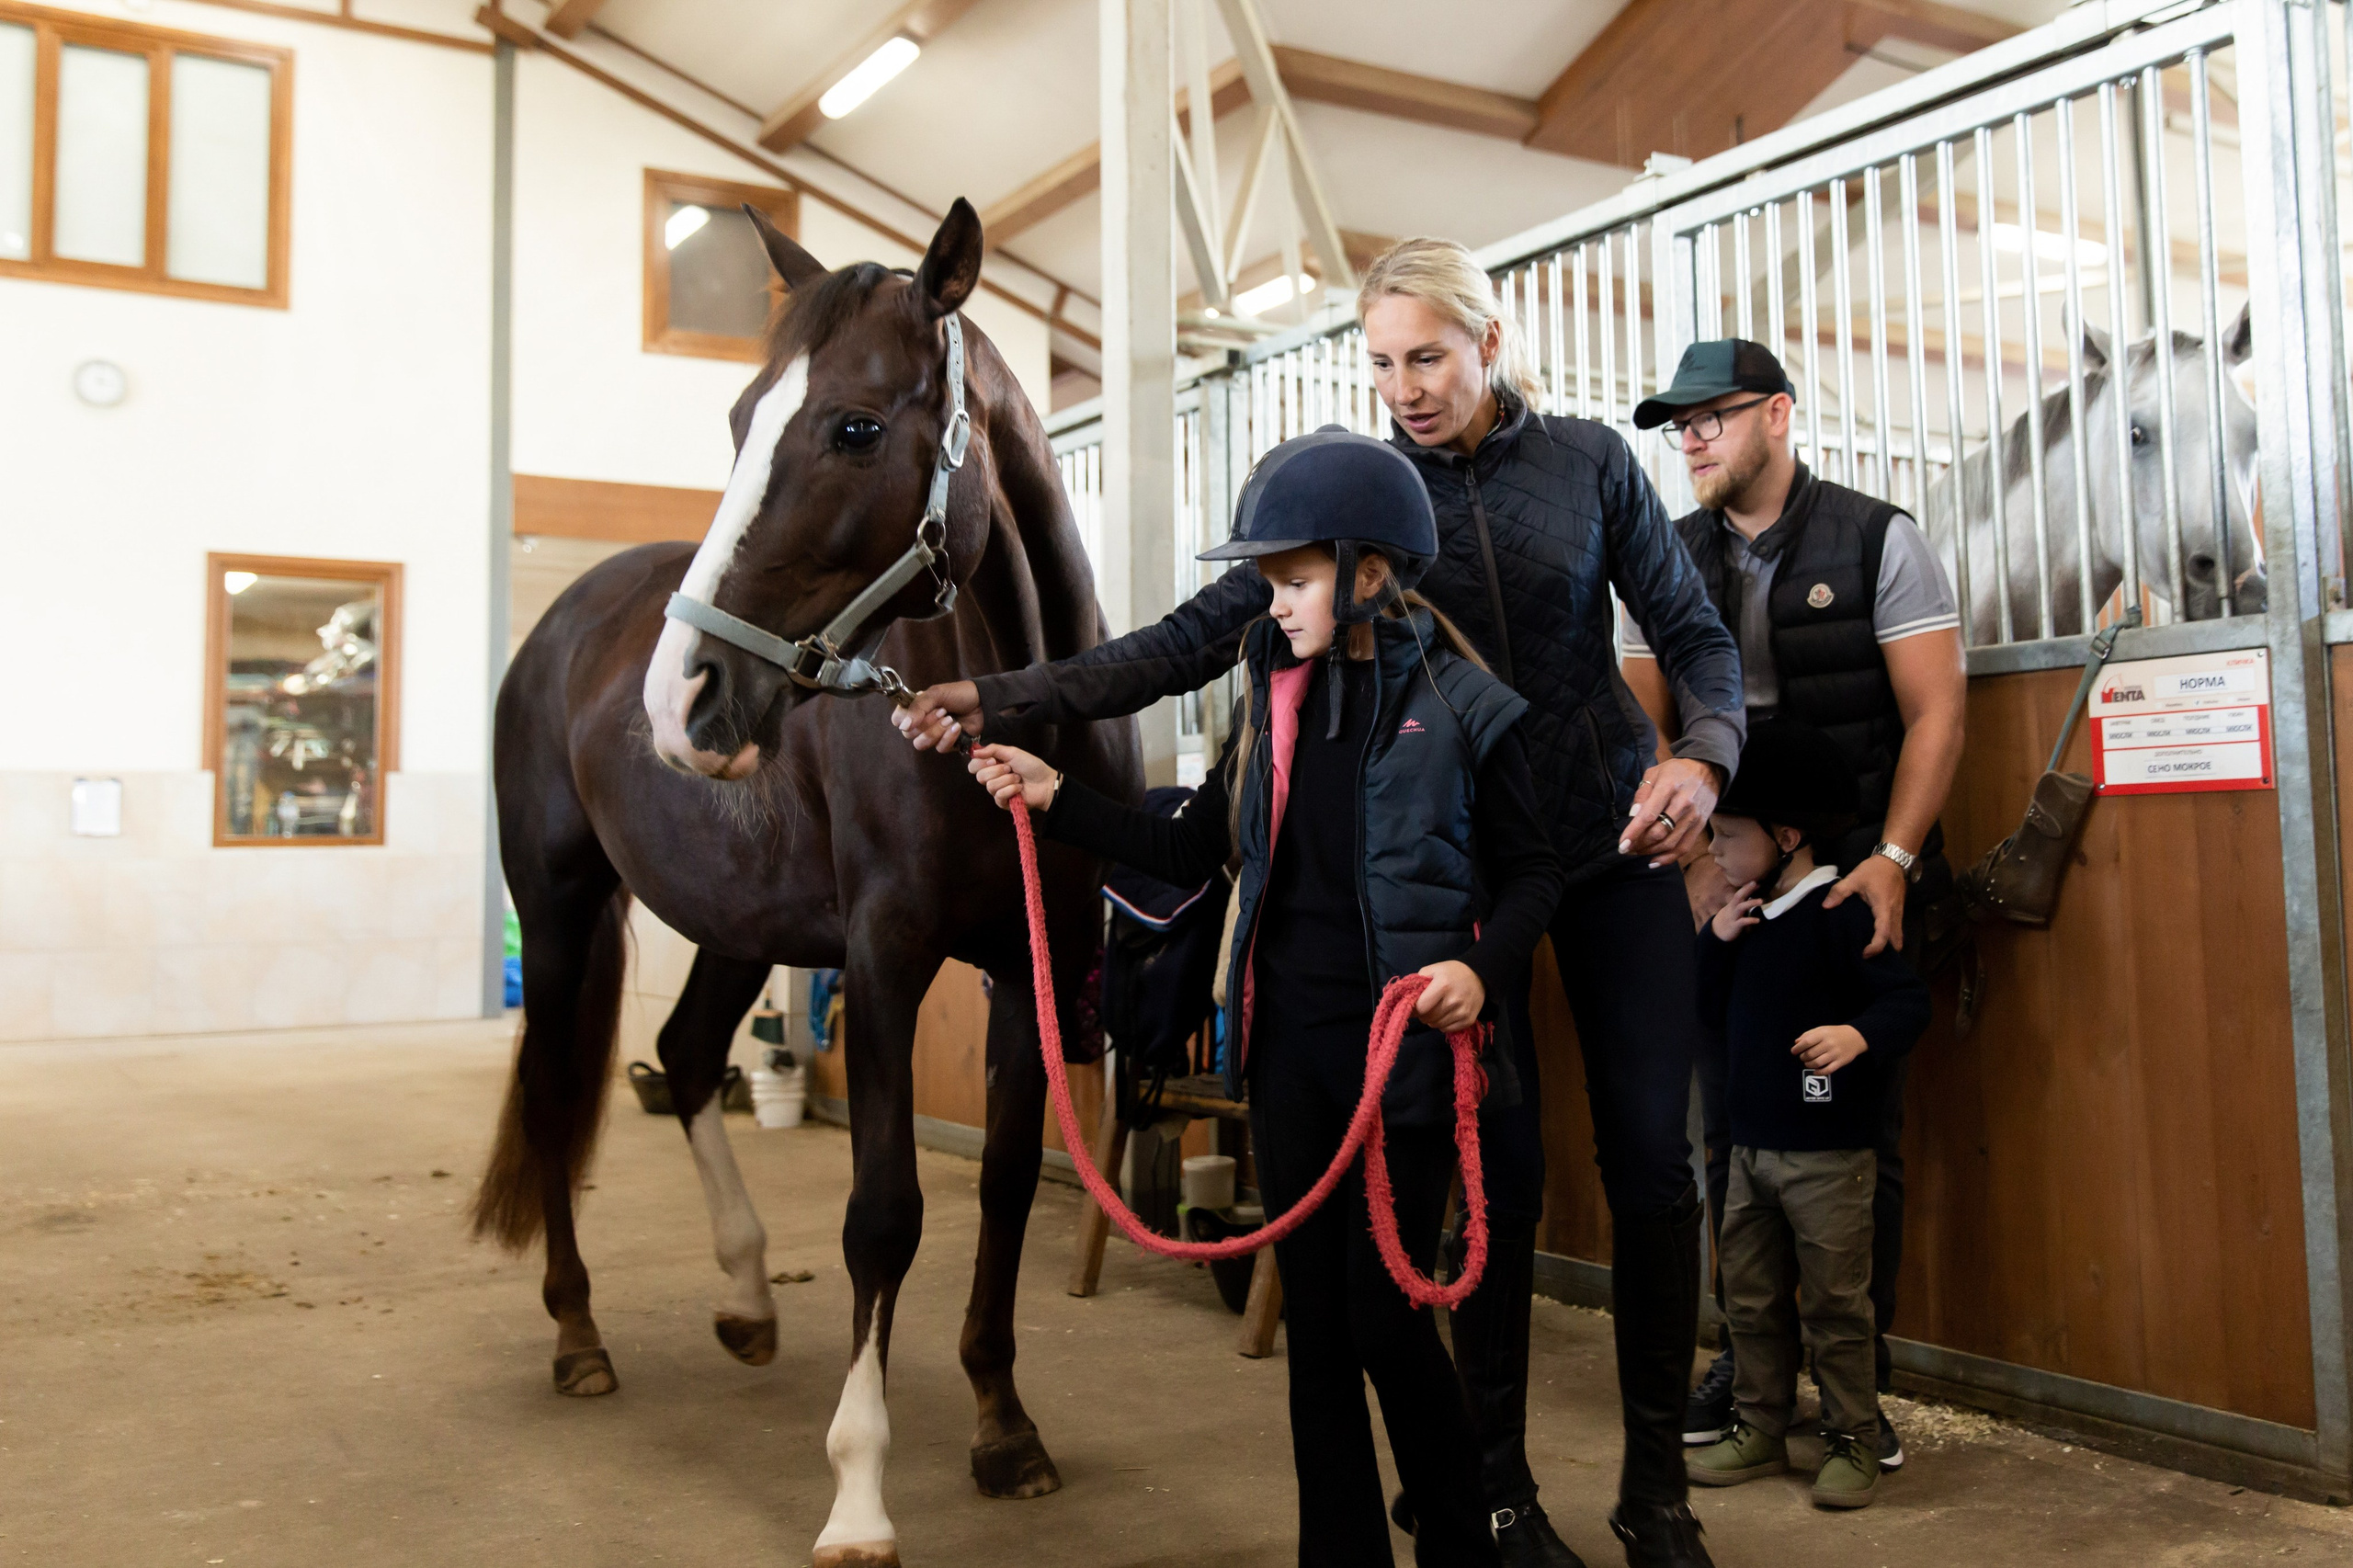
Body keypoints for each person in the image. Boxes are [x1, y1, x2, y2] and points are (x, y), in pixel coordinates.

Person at [900, 239, 1745, 1568]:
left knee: (1649, 1162)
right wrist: (1001, 698)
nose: (1406, 387)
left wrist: (1702, 757)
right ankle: (1497, 1494)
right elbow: (1178, 644)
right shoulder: (1357, 508)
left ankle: (1656, 1493)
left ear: (1490, 342)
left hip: (1606, 842)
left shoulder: (1589, 464)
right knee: (1500, 1178)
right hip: (1448, 884)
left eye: (1430, 357)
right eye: (1384, 362)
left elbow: (1692, 636)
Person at [966, 429, 1563, 1567]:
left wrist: (1479, 970)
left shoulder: (1466, 705)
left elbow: (1536, 874)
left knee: (1388, 1320)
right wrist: (1056, 796)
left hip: (1400, 1062)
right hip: (1288, 1049)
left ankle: (1464, 1544)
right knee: (1320, 1333)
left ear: (1367, 570)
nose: (1271, 602)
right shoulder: (1271, 692)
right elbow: (1191, 847)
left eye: (1291, 580)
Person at [1620, 339, 1966, 1467]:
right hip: (1723, 877)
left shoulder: (1877, 538)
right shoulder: (1661, 556)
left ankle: (1859, 1377)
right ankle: (1750, 1362)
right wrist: (1693, 864)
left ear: (1775, 413)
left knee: (1863, 1131)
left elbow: (1935, 711)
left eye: (1710, 417)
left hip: (1852, 876)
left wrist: (1895, 858)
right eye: (1678, 425)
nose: (1690, 440)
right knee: (1729, 1127)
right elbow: (1642, 721)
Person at [1680, 719, 1929, 1510]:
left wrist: (1857, 1035)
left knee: (1834, 1304)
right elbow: (1705, 1013)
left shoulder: (1840, 912)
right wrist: (1715, 943)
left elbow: (1906, 1003)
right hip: (1748, 1155)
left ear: (1787, 837)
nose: (1715, 851)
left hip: (1828, 1156)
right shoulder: (1745, 917)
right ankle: (1759, 1422)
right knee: (1749, 1300)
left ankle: (1852, 1435)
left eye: (1729, 836)